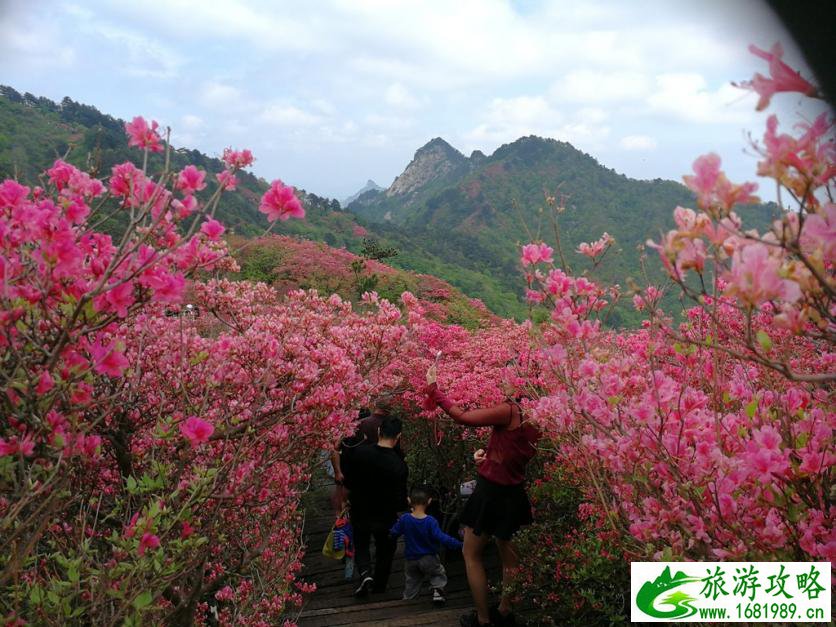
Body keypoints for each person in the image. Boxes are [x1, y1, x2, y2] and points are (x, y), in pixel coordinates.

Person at [424, 364, 540, 627]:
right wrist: (487, 459)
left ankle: (483, 619)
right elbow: (515, 454)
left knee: (471, 554)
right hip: (514, 492)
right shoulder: (535, 416)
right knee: (510, 559)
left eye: (507, 379)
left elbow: (462, 417)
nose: (503, 384)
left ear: (519, 383)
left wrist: (435, 390)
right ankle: (505, 611)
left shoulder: (510, 409)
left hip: (490, 493)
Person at [342, 416, 409, 597]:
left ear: (379, 431)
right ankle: (379, 586)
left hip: (360, 508)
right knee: (385, 550)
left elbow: (348, 480)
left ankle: (365, 573)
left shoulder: (360, 454)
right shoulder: (399, 464)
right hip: (386, 515)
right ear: (398, 436)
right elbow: (401, 499)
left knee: (361, 543)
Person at [390, 485, 463, 606]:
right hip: (428, 557)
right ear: (429, 501)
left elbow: (394, 532)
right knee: (437, 574)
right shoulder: (430, 521)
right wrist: (458, 544)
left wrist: (391, 534)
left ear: (409, 500)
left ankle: (408, 601)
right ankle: (438, 593)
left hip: (411, 559)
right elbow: (441, 537)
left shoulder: (405, 519)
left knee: (412, 581)